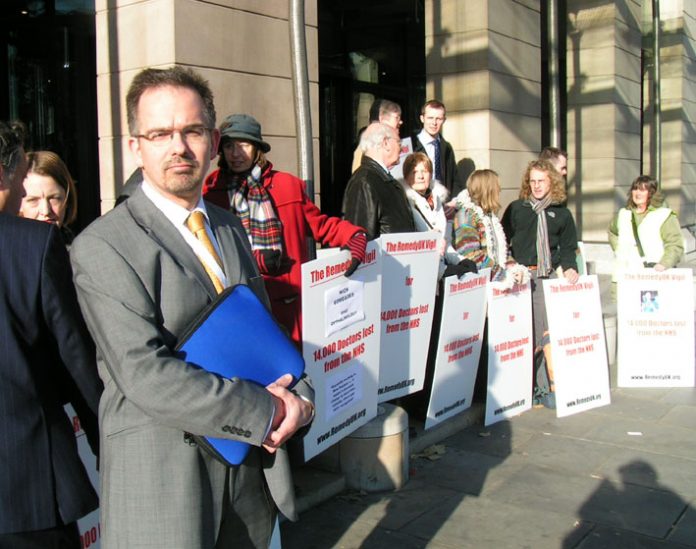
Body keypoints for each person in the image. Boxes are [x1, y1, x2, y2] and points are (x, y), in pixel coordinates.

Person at [70, 66, 314, 548]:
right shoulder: (102, 245)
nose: (178, 147)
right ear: (136, 146)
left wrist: (301, 397)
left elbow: (263, 333)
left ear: (213, 138)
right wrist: (266, 410)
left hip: (251, 488)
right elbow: (145, 373)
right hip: (167, 488)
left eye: (192, 130)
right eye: (160, 133)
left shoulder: (227, 227)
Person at [0, 121, 102, 548]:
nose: (30, 196)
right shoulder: (33, 245)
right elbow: (75, 358)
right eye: (24, 176)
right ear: (5, 172)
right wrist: (109, 439)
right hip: (28, 489)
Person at [203, 113, 367, 346]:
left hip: (289, 310)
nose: (236, 153)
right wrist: (251, 259)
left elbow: (320, 226)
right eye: (229, 146)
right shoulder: (211, 194)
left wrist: (354, 235)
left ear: (258, 149)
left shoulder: (287, 186)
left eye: (244, 144)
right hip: (241, 308)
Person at [502, 160, 579, 407]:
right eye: (532, 181)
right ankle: (526, 385)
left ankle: (545, 386)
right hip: (521, 277)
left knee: (544, 331)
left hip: (546, 278)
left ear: (551, 183)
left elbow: (568, 247)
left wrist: (570, 268)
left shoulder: (562, 213)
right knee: (525, 331)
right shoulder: (517, 209)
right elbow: (503, 238)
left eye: (541, 181)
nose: (536, 186)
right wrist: (509, 262)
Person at [402, 151, 474, 279]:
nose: (420, 176)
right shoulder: (405, 204)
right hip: (421, 275)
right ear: (406, 177)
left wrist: (460, 260)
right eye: (414, 172)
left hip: (440, 270)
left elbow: (445, 245)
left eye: (424, 171)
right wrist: (444, 270)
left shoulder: (436, 200)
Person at [452, 169, 529, 288]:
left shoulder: (489, 216)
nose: (499, 191)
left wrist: (514, 269)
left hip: (495, 286)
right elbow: (471, 254)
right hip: (477, 286)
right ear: (488, 191)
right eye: (497, 188)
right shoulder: (467, 215)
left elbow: (501, 251)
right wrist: (503, 274)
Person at [343, 122, 415, 239]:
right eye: (398, 142)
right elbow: (359, 239)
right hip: (384, 257)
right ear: (385, 143)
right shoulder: (364, 182)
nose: (401, 148)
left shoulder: (384, 180)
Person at [608, 175, 683, 280]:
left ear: (651, 193)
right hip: (623, 275)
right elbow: (612, 232)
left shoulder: (664, 215)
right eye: (635, 189)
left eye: (643, 190)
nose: (637, 193)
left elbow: (675, 244)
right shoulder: (623, 213)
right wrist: (619, 250)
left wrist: (664, 264)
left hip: (652, 275)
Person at [20, 150, 79, 243]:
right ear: (18, 204)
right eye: (33, 200)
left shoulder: (81, 251)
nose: (46, 211)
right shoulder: (7, 253)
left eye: (54, 198)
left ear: (67, 200)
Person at [411, 99, 462, 197]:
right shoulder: (411, 145)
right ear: (422, 118)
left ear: (444, 120)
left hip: (443, 204)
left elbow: (454, 179)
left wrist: (454, 202)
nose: (434, 123)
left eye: (438, 119)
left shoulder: (446, 147)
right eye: (430, 118)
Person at [352, 99, 403, 173]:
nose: (397, 131)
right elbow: (363, 179)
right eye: (397, 125)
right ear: (382, 120)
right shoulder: (367, 148)